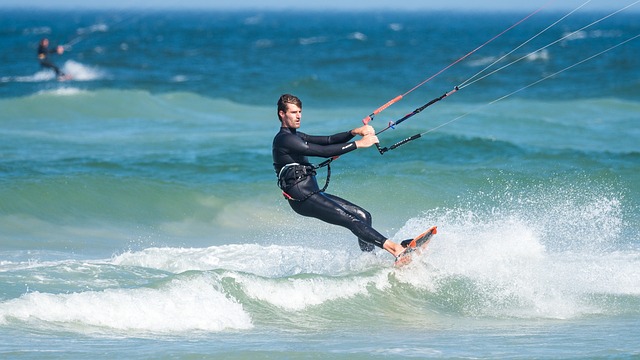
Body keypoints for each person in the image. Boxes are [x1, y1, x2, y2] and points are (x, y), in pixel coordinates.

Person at [272, 93, 409, 260]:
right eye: (293, 112)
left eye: (300, 111)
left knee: (363, 216)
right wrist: (359, 144)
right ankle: (396, 249)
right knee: (352, 220)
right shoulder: (284, 139)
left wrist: (354, 132)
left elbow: (328, 140)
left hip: (312, 193)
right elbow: (321, 152)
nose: (298, 116)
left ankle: (370, 260)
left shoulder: (296, 135)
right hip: (302, 197)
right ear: (282, 114)